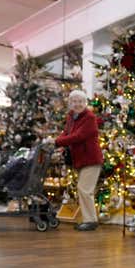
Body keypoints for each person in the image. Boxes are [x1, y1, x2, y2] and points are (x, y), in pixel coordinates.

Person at [47, 90, 103, 231]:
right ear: (70, 103)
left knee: (84, 189)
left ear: (85, 103)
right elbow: (67, 133)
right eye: (74, 101)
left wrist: (57, 142)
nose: (77, 104)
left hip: (91, 159)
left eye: (80, 101)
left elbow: (78, 136)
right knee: (84, 190)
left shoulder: (89, 117)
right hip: (81, 159)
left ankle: (90, 221)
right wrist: (57, 141)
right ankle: (89, 219)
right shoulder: (71, 116)